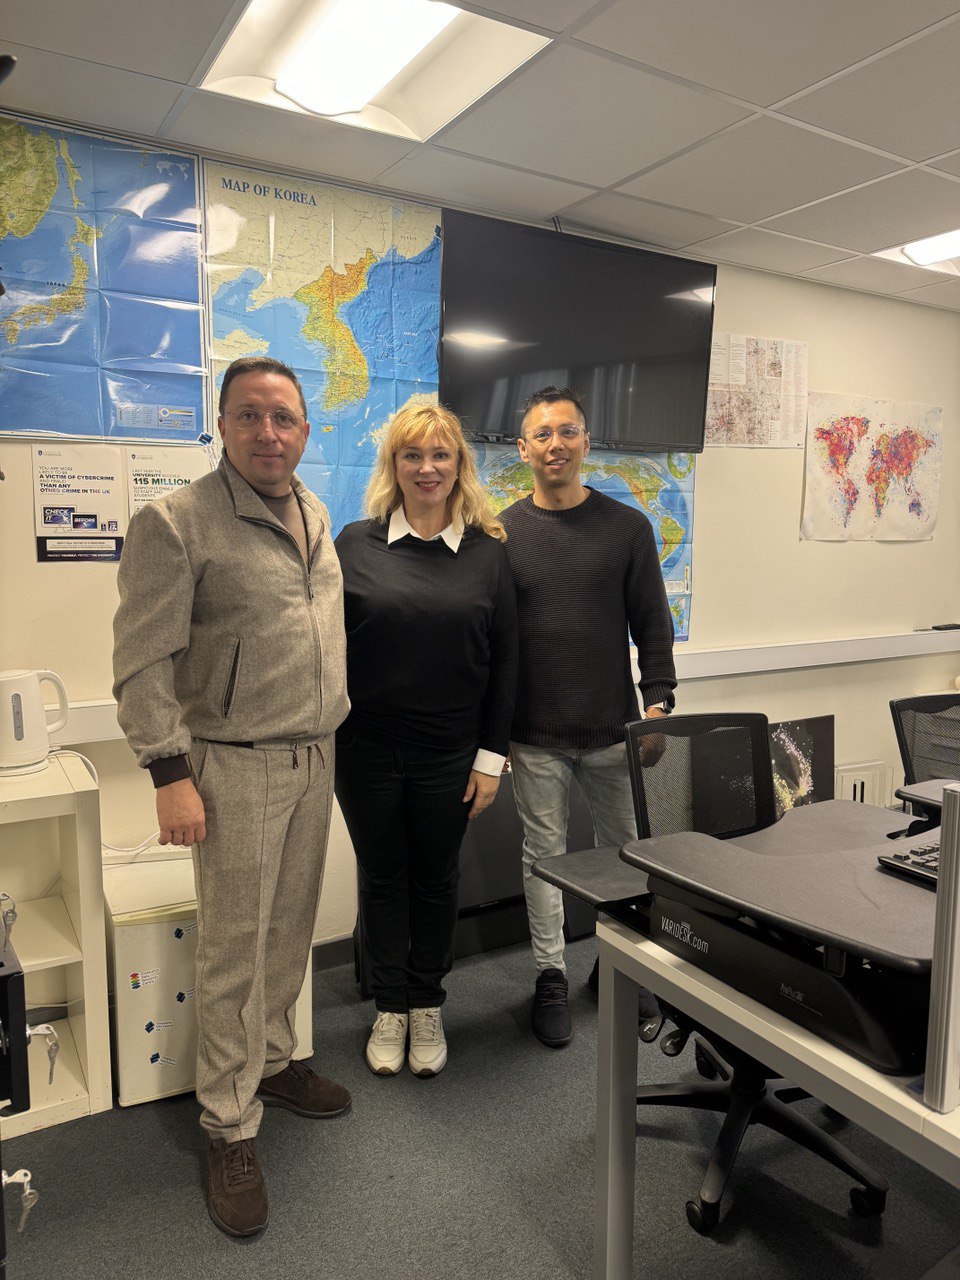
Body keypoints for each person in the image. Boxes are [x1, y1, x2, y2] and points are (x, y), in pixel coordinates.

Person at [113, 356, 351, 1239]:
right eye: (248, 415)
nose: (267, 433)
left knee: (288, 929)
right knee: (232, 951)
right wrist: (168, 772)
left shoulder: (314, 513)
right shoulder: (176, 523)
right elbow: (141, 661)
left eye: (283, 418)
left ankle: (274, 1062)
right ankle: (228, 1123)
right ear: (221, 425)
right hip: (233, 765)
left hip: (314, 756)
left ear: (305, 430)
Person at [334, 403, 518, 1079]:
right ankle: (390, 1005)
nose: (427, 468)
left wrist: (491, 759)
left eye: (440, 454)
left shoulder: (488, 554)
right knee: (383, 879)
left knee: (437, 881)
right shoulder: (355, 545)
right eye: (412, 454)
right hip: (364, 753)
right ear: (394, 465)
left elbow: (507, 663)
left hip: (450, 754)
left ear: (459, 465)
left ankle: (427, 1003)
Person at [500, 385, 677, 1047]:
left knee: (625, 857)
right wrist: (494, 733)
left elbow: (652, 625)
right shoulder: (502, 534)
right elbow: (494, 642)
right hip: (535, 736)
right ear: (523, 449)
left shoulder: (627, 529)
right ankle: (550, 975)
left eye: (567, 431)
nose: (556, 445)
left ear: (587, 442)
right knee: (543, 858)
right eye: (543, 434)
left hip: (613, 731)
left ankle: (621, 966)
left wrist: (657, 705)